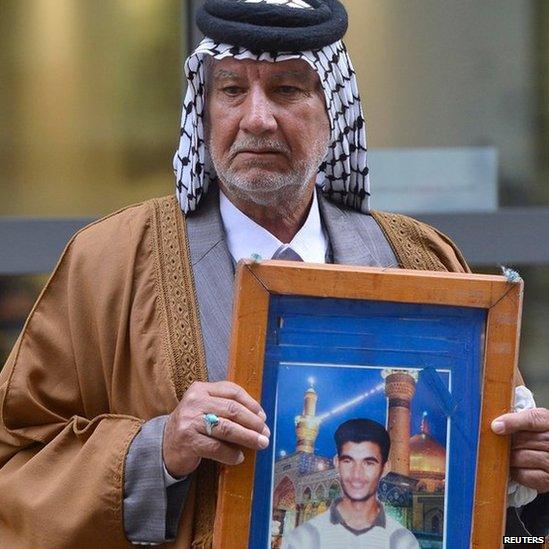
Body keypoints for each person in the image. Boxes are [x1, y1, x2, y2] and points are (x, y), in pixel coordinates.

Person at [0, 0, 547, 547]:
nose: (257, 118)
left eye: (287, 89)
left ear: (333, 109)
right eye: (232, 90)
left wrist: (523, 472)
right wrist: (159, 449)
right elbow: (17, 464)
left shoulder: (420, 261)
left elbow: (488, 475)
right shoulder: (110, 264)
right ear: (205, 107)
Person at [282, 418, 419, 549]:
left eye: (369, 463)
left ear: (385, 468)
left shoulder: (403, 542)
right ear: (337, 463)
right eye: (348, 461)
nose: (357, 473)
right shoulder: (302, 539)